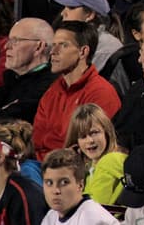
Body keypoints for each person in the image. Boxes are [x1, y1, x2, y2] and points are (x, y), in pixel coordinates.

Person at [33, 21, 121, 159]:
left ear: (83, 52)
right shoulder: (52, 92)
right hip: (44, 165)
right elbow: (37, 140)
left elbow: (91, 147)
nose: (53, 52)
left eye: (63, 45)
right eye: (54, 45)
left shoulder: (101, 93)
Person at [37, 148, 121, 225]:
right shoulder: (49, 218)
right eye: (49, 183)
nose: (55, 190)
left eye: (64, 182)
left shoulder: (91, 215)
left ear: (80, 185)